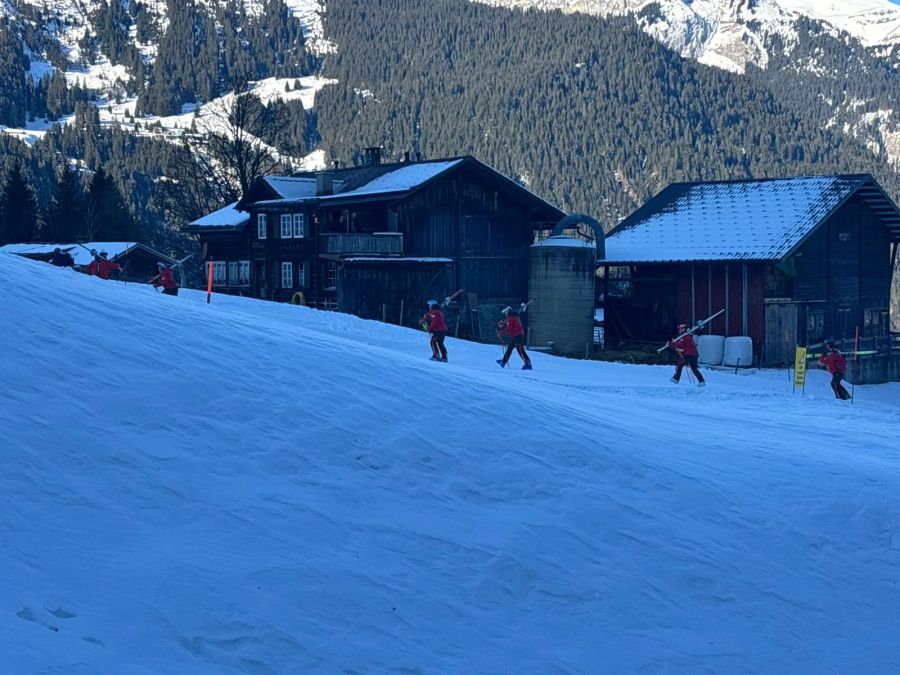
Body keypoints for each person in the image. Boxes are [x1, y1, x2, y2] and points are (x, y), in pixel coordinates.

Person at [669, 322, 705, 387]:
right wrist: (674, 343)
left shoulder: (685, 337)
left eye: (681, 328)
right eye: (679, 328)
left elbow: (679, 345)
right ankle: (701, 381)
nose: (679, 330)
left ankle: (675, 379)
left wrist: (672, 343)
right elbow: (680, 346)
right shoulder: (687, 337)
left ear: (684, 329)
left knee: (680, 365)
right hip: (693, 354)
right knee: (694, 369)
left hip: (689, 354)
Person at [496, 306, 532, 370]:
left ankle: (528, 364)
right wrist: (501, 323)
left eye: (505, 313)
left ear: (507, 311)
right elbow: (506, 323)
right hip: (516, 335)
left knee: (520, 350)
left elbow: (509, 328)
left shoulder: (511, 317)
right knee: (510, 348)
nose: (505, 314)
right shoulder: (512, 315)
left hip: (518, 336)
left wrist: (501, 334)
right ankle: (503, 362)